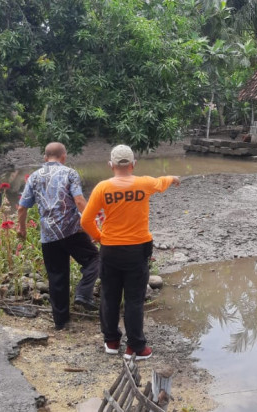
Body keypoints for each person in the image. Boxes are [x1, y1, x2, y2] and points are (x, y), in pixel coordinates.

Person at [81, 145, 180, 360]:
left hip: (110, 250)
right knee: (134, 299)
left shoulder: (102, 188)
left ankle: (112, 341)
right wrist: (172, 177)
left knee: (109, 296)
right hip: (136, 250)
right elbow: (161, 182)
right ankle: (135, 347)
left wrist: (100, 238)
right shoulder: (143, 183)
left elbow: (86, 220)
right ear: (134, 164)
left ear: (111, 165)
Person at [17, 142, 100, 330]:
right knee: (95, 258)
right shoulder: (70, 173)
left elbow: (22, 207)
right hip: (72, 231)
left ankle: (61, 323)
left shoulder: (34, 177)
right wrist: (91, 227)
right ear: (64, 157)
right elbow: (79, 200)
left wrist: (21, 228)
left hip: (49, 235)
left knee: (57, 277)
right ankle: (83, 293)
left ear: (45, 158)